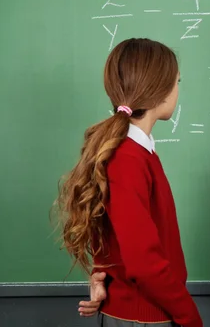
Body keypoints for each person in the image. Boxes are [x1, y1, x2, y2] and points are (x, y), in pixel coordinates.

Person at [53, 38, 202, 327]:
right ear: (160, 92)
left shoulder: (132, 153)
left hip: (139, 313)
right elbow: (143, 261)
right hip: (144, 318)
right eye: (177, 82)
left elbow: (112, 228)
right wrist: (189, 316)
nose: (178, 90)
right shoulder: (128, 159)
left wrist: (100, 274)